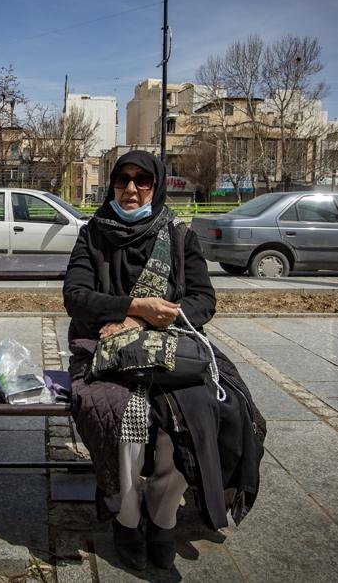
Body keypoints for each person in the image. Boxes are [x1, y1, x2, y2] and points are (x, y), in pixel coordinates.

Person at [63, 150, 265, 571]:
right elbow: (76, 298)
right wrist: (133, 305)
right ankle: (127, 517)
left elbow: (203, 299)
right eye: (122, 179)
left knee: (198, 413)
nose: (131, 189)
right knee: (119, 414)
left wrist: (145, 318)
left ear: (155, 187)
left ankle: (162, 515)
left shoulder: (177, 235)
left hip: (171, 345)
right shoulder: (93, 233)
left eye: (142, 181)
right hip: (103, 348)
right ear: (112, 184)